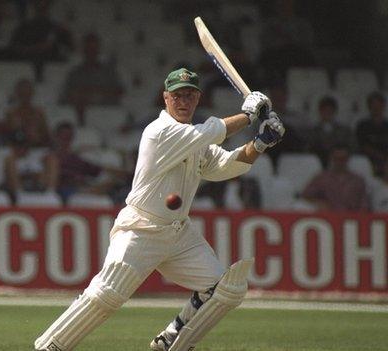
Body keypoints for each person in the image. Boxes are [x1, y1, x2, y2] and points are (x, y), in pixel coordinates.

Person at [34, 68, 285, 351]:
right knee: (107, 295)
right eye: (177, 95)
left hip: (178, 234)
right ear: (165, 98)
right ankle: (50, 347)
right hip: (141, 228)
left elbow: (225, 166)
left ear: (197, 98)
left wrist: (261, 143)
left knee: (227, 289)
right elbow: (216, 131)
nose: (183, 101)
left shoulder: (195, 137)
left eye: (189, 95)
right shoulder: (159, 131)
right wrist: (250, 115)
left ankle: (171, 340)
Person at [0, 0, 73, 80]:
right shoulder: (25, 26)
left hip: (42, 58)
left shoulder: (56, 28)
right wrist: (27, 49)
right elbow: (13, 45)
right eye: (38, 4)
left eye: (44, 5)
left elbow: (69, 48)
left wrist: (66, 33)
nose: (41, 7)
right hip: (21, 54)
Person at [59, 32, 124, 119]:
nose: (91, 52)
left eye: (94, 49)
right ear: (83, 50)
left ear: (98, 50)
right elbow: (69, 94)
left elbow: (119, 92)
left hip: (105, 113)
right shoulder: (75, 73)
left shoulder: (109, 72)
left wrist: (94, 93)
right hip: (81, 111)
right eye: (88, 49)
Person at [301, 144, 369, 211]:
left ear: (348, 159)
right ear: (331, 159)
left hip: (352, 217)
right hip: (330, 216)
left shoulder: (358, 180)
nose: (339, 162)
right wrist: (319, 203)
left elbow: (364, 203)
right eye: (336, 159)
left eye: (343, 159)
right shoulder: (322, 178)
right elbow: (305, 195)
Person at [3, 131, 57, 204]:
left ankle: (50, 193)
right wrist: (28, 176)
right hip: (16, 190)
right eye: (18, 145)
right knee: (10, 161)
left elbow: (42, 176)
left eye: (23, 145)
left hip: (36, 187)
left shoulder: (34, 158)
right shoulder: (9, 159)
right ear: (12, 146)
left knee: (52, 159)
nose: (21, 148)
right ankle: (19, 195)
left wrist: (32, 177)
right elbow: (9, 179)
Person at [308, 96, 354, 167]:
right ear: (320, 111)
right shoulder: (312, 131)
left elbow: (352, 147)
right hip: (317, 165)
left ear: (334, 111)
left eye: (330, 110)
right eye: (324, 110)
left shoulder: (345, 131)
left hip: (341, 163)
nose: (327, 113)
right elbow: (308, 149)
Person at [4, 78, 51, 147]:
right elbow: (6, 136)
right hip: (16, 149)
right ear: (17, 93)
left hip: (37, 148)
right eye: (22, 93)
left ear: (32, 93)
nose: (25, 95)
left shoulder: (39, 113)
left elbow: (46, 135)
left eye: (27, 92)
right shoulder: (10, 114)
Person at [355, 92, 388, 175]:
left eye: (378, 104)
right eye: (373, 104)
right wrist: (378, 156)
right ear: (369, 106)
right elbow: (362, 144)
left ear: (383, 105)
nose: (376, 107)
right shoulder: (362, 125)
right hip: (368, 161)